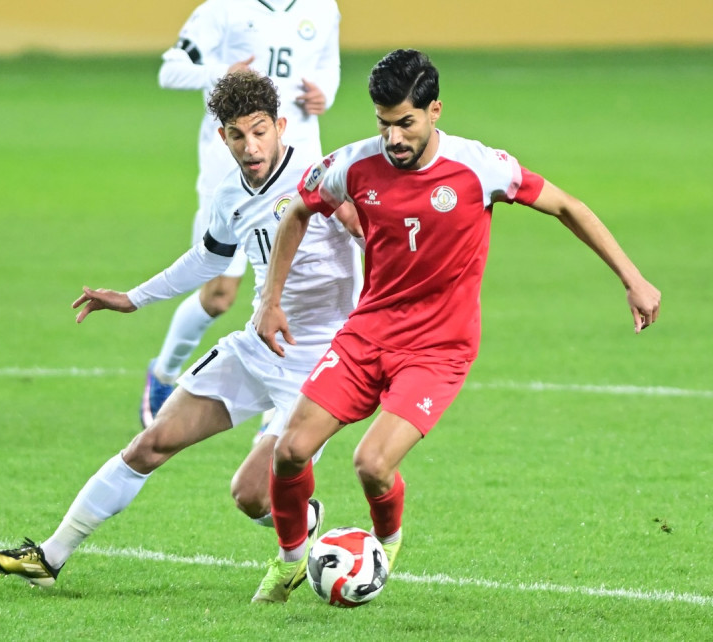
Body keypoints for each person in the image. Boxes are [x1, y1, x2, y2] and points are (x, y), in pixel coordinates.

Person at [250, 49, 662, 604]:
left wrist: (632, 278)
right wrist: (269, 301)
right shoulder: (352, 166)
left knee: (371, 464)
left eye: (405, 123)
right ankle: (289, 562)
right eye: (383, 122)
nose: (393, 138)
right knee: (290, 450)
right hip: (368, 334)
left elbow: (566, 205)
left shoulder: (480, 166)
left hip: (438, 349)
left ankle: (386, 542)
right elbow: (297, 210)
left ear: (435, 110)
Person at [0, 71, 361, 589]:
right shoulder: (230, 194)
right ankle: (48, 558)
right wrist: (133, 298)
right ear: (220, 137)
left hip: (321, 362)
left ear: (281, 126)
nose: (250, 146)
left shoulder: (321, 178)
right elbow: (208, 258)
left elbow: (374, 241)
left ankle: (298, 536)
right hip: (256, 347)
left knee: (250, 493)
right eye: (236, 134)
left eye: (260, 131)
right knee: (151, 443)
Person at [141, 0, 346, 428]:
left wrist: (324, 91)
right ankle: (163, 373)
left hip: (302, 170)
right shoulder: (222, 9)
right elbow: (170, 69)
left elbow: (328, 66)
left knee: (301, 289)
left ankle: (283, 390)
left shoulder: (322, 8)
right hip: (234, 177)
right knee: (218, 295)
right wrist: (222, 74)